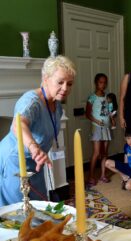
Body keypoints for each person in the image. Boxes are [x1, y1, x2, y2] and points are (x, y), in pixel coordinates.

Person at [0, 55, 76, 206]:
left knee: (38, 206)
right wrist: (35, 148)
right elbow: (18, 125)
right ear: (46, 78)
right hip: (15, 161)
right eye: (60, 82)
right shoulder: (31, 102)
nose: (65, 88)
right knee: (19, 212)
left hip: (36, 163)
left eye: (70, 83)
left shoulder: (57, 106)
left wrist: (39, 153)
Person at [86, 73, 111, 186]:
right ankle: (90, 176)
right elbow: (88, 114)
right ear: (96, 83)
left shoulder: (107, 97)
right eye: (101, 82)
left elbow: (108, 111)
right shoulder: (92, 97)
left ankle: (103, 175)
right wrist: (96, 121)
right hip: (96, 128)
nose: (103, 84)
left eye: (105, 82)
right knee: (96, 152)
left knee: (105, 152)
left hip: (106, 127)